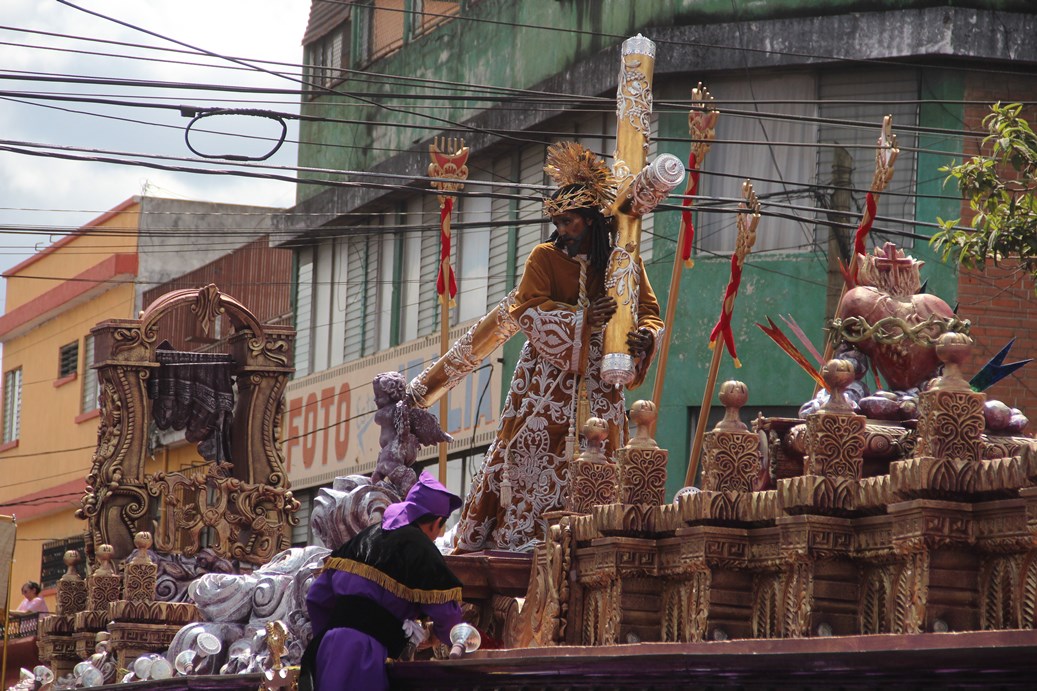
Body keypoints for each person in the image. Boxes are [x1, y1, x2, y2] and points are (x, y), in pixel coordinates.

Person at [452, 141, 664, 553]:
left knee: (605, 452)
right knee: (528, 454)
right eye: (559, 222)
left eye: (570, 222)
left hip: (603, 376)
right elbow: (528, 310)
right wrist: (584, 320)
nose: (562, 230)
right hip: (546, 379)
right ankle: (522, 535)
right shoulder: (543, 257)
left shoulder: (624, 261)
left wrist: (645, 337)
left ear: (590, 221)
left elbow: (650, 313)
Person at [303, 471, 465, 691]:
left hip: (327, 650)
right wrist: (445, 637)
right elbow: (447, 615)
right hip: (365, 653)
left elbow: (316, 597)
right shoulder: (422, 548)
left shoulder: (363, 537)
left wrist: (334, 636)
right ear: (437, 522)